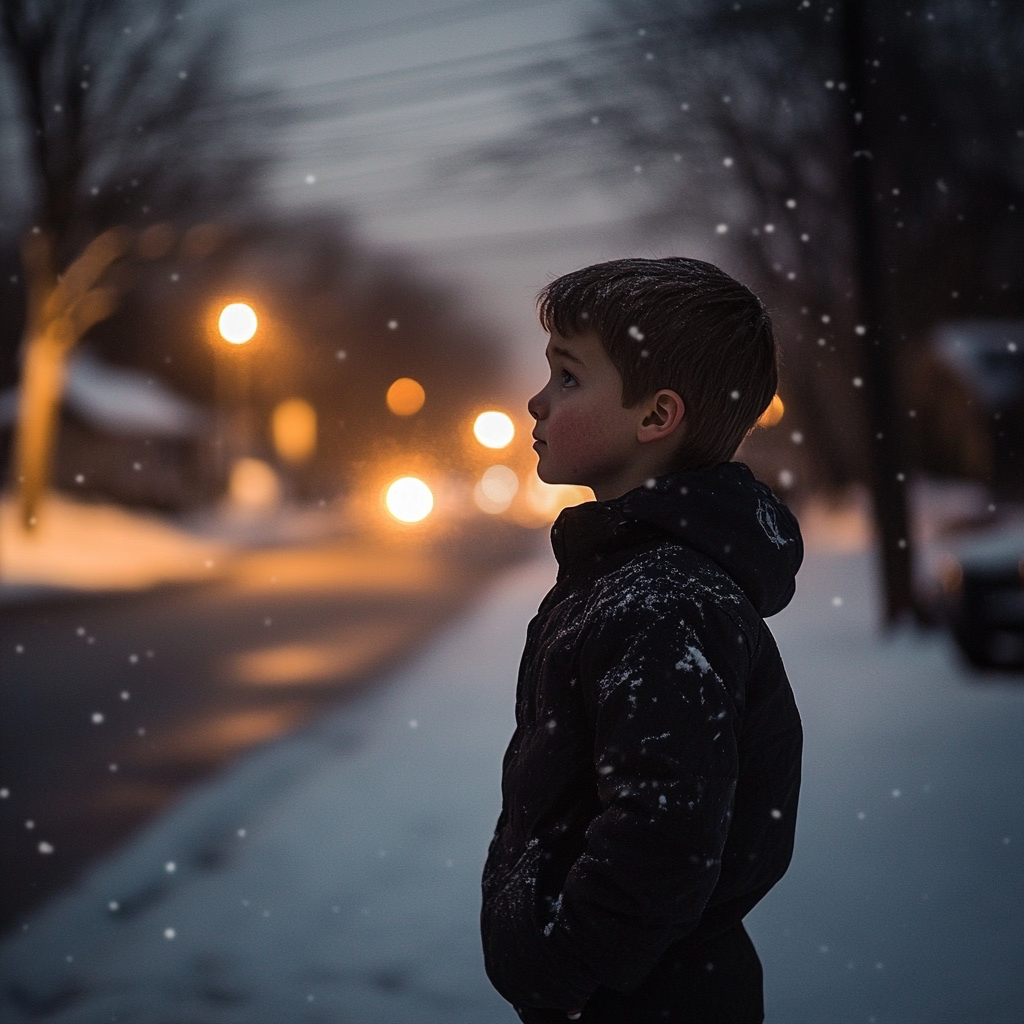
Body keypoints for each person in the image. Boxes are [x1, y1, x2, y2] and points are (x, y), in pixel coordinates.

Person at [480, 257, 803, 1024]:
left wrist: (568, 973)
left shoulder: (663, 602)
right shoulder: (629, 576)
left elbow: (663, 835)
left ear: (656, 417)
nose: (536, 401)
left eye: (567, 378)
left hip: (646, 1003)